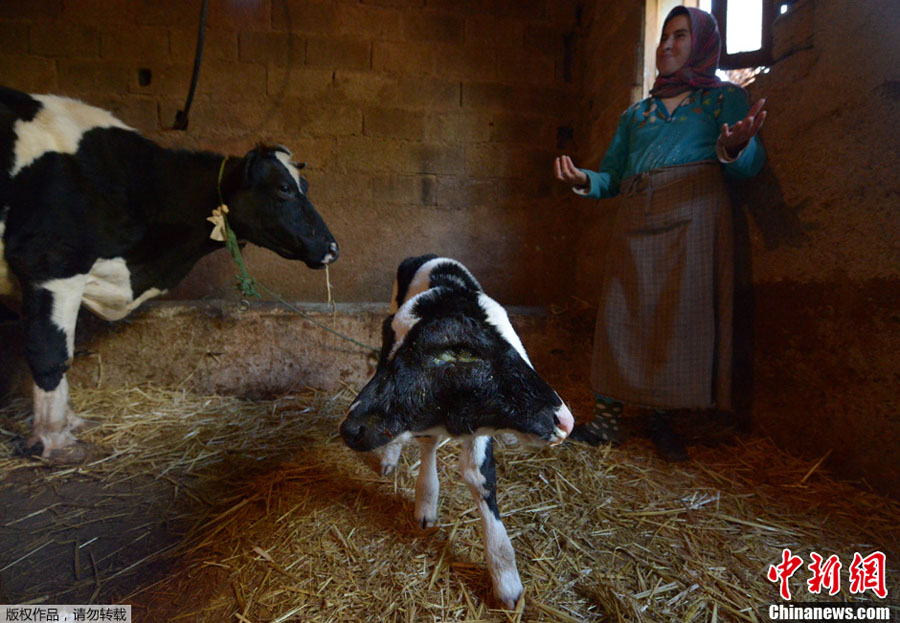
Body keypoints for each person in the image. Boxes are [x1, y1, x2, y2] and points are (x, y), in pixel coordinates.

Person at [553, 6, 766, 461]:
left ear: (703, 43)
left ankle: (661, 419)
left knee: (677, 318)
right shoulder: (637, 114)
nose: (666, 44)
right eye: (664, 36)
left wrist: (736, 147)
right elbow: (612, 176)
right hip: (637, 215)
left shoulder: (724, 98)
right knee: (619, 313)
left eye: (680, 36)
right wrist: (585, 179)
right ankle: (607, 422)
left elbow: (750, 166)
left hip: (694, 215)